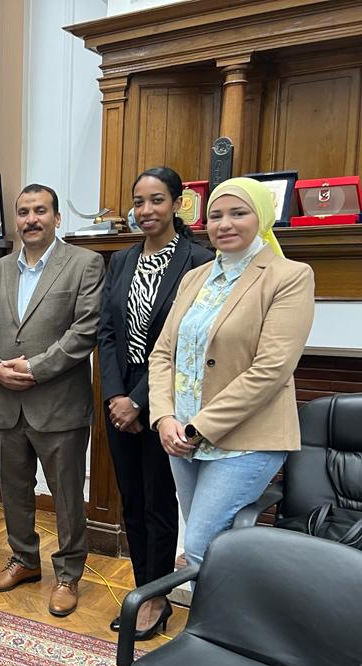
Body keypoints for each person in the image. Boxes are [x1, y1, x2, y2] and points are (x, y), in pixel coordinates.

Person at [149, 176, 314, 575]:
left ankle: (217, 618)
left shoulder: (289, 276)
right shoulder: (195, 277)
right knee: (208, 548)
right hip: (181, 438)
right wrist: (164, 417)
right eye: (216, 215)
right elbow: (163, 353)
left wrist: (198, 428)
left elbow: (271, 369)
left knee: (200, 548)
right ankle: (220, 613)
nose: (224, 224)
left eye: (238, 213)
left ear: (262, 217)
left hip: (244, 440)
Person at [0, 184, 104, 617]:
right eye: (24, 212)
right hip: (6, 402)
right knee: (14, 490)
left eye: (40, 211)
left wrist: (34, 368)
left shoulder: (84, 263)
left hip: (58, 404)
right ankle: (24, 560)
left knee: (66, 496)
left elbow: (84, 331)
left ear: (56, 217)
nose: (31, 219)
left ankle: (68, 574)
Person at [97, 167, 214, 639]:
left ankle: (157, 598)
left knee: (159, 502)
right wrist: (115, 395)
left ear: (177, 204)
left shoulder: (198, 260)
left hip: (167, 400)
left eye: (157, 200)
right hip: (118, 397)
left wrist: (139, 401)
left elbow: (184, 342)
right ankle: (142, 588)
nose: (146, 211)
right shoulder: (122, 260)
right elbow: (106, 332)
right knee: (131, 498)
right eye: (138, 201)